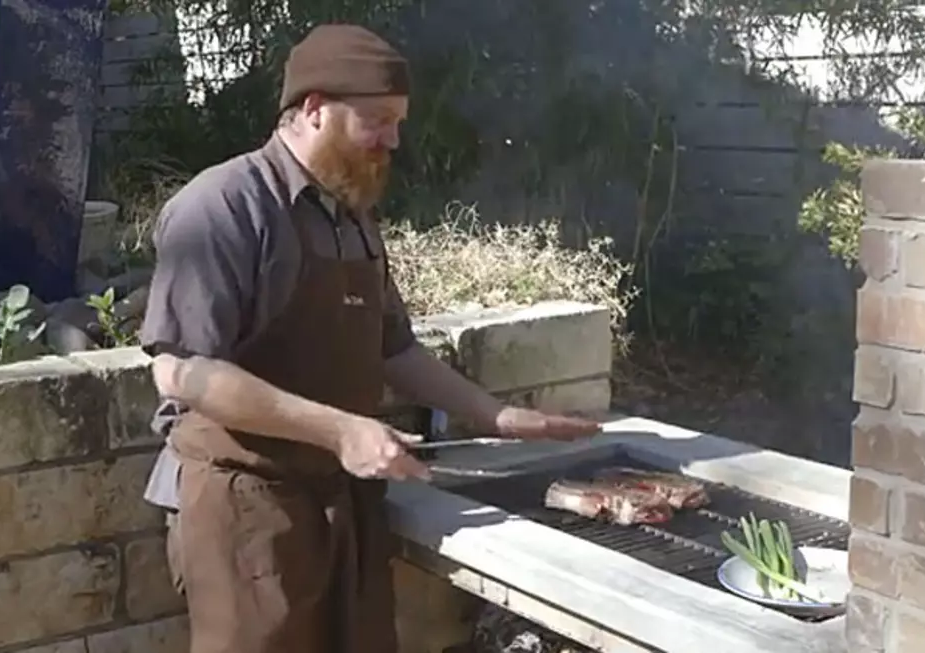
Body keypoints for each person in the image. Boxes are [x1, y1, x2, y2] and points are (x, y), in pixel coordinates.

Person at [138, 23, 601, 653]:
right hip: (246, 512)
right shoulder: (222, 208)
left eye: (399, 122)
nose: (394, 140)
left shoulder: (352, 217)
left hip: (342, 506)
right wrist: (342, 430)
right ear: (314, 110)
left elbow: (394, 348)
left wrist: (498, 416)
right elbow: (183, 373)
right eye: (379, 120)